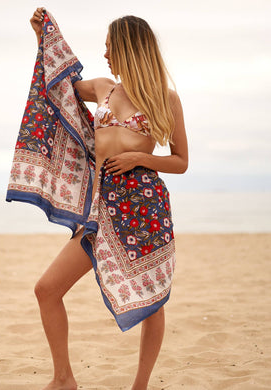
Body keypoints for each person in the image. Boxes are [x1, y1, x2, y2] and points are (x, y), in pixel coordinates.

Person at [29, 7, 188, 390]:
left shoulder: (165, 98)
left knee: (153, 300)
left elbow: (181, 161)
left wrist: (140, 158)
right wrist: (43, 36)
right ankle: (63, 378)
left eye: (109, 46)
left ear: (128, 48)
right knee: (47, 289)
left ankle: (140, 386)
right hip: (101, 205)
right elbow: (59, 86)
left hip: (143, 206)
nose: (104, 54)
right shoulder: (103, 88)